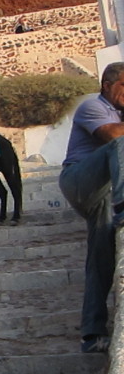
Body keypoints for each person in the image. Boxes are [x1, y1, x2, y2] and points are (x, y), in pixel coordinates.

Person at [59, 61, 124, 353]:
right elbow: (112, 137)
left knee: (101, 257)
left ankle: (92, 332)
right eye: (123, 85)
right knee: (121, 144)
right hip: (78, 179)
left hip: (104, 193)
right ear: (106, 86)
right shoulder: (92, 107)